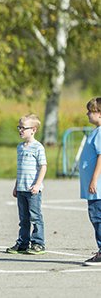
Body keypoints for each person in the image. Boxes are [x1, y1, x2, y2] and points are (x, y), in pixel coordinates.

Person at [5, 114, 47, 255]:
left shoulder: (38, 147)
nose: (20, 130)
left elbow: (43, 167)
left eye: (23, 128)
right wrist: (16, 186)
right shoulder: (20, 147)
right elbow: (20, 169)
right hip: (22, 188)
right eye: (19, 127)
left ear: (33, 130)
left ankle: (38, 243)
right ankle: (23, 243)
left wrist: (37, 184)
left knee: (35, 217)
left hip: (33, 190)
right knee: (23, 219)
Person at [79, 97, 101, 266]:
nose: (87, 114)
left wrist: (94, 180)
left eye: (90, 111)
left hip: (97, 187)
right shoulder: (96, 131)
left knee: (97, 217)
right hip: (94, 187)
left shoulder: (100, 133)